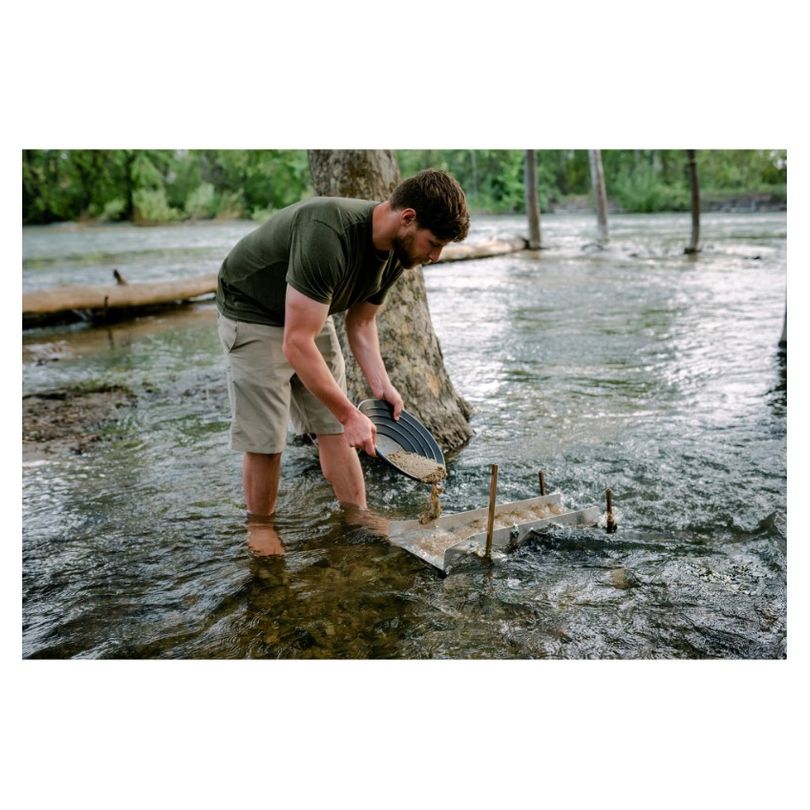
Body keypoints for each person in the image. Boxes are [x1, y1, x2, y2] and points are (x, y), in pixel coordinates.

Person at [216, 169, 469, 551]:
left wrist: (382, 385)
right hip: (253, 309)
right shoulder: (328, 234)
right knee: (267, 436)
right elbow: (296, 344)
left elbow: (361, 323)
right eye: (434, 244)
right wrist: (351, 414)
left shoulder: (398, 253)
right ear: (407, 218)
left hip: (306, 310)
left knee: (334, 424)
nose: (435, 256)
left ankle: (356, 514)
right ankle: (261, 526)